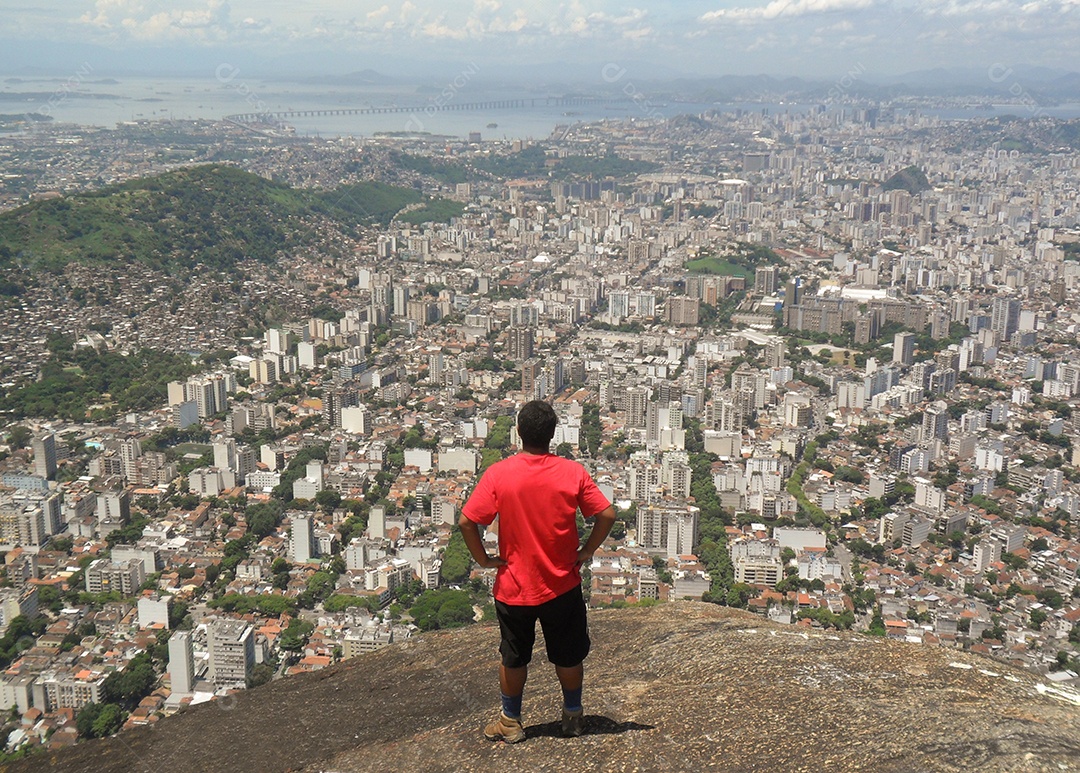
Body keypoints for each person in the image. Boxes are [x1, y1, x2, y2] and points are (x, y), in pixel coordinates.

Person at [459, 400, 616, 743]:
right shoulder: (571, 473)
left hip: (514, 586)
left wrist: (485, 560)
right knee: (569, 654)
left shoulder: (499, 474)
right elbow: (606, 515)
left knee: (514, 656)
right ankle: (573, 716)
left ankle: (511, 721)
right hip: (562, 583)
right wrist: (587, 551)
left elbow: (467, 521)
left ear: (519, 432)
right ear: (552, 434)